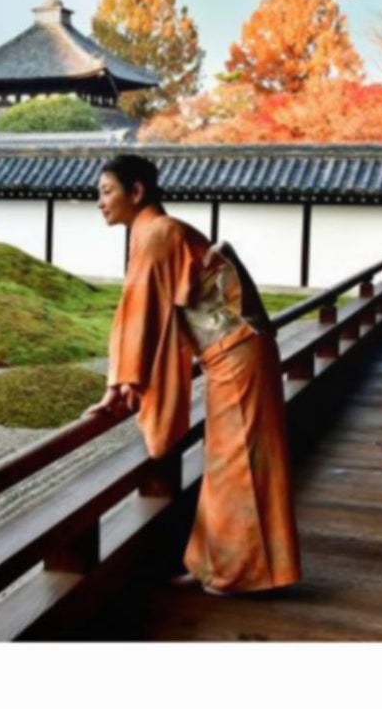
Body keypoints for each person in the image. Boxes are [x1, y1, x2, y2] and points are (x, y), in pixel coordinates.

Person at [84, 154, 302, 595]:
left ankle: (240, 572)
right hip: (233, 354)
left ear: (137, 191)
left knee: (235, 464)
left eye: (107, 191)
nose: (100, 202)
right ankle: (212, 565)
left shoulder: (159, 233)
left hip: (236, 354)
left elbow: (138, 313)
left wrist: (118, 383)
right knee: (226, 462)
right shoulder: (158, 231)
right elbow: (143, 310)